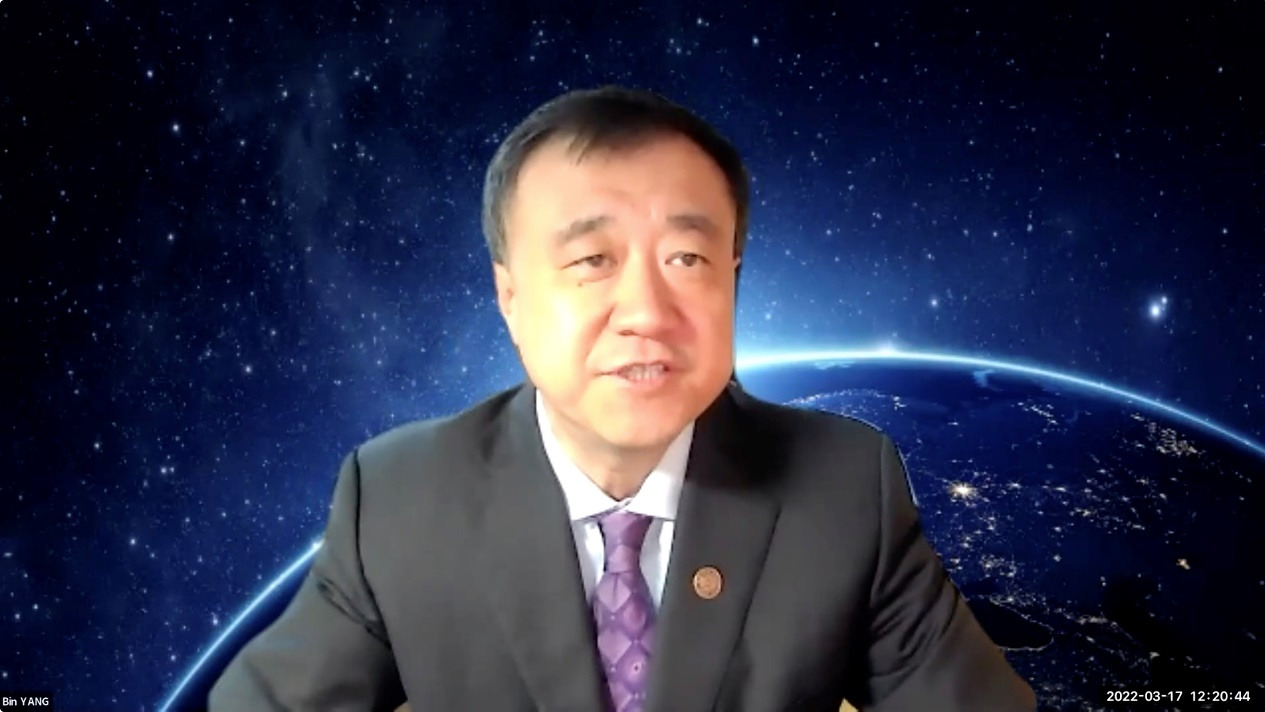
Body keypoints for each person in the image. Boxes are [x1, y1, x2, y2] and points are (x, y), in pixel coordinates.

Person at [209, 85, 1037, 711]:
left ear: (732, 280)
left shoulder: (846, 484)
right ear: (510, 297)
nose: (646, 311)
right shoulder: (397, 498)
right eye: (591, 261)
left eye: (687, 259)